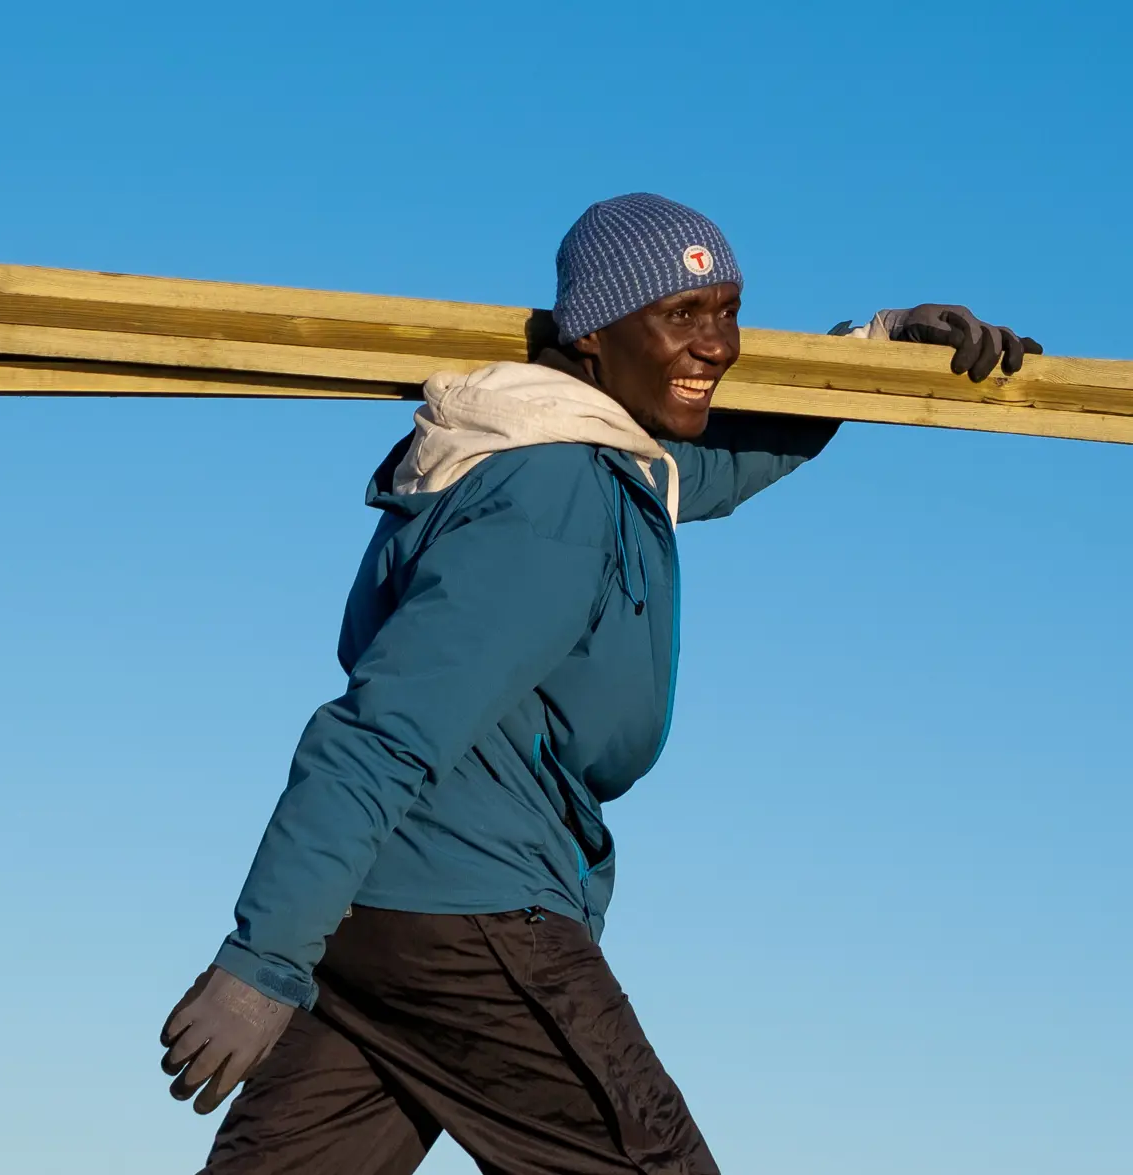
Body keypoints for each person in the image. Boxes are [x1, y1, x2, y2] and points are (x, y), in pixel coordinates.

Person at [159, 193, 1041, 1174]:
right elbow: (383, 727)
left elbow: (720, 463)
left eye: (729, 311)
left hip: (377, 924)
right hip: (473, 908)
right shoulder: (555, 495)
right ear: (594, 331)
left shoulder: (575, 459)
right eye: (682, 315)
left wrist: (871, 356)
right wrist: (261, 957)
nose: (719, 344)